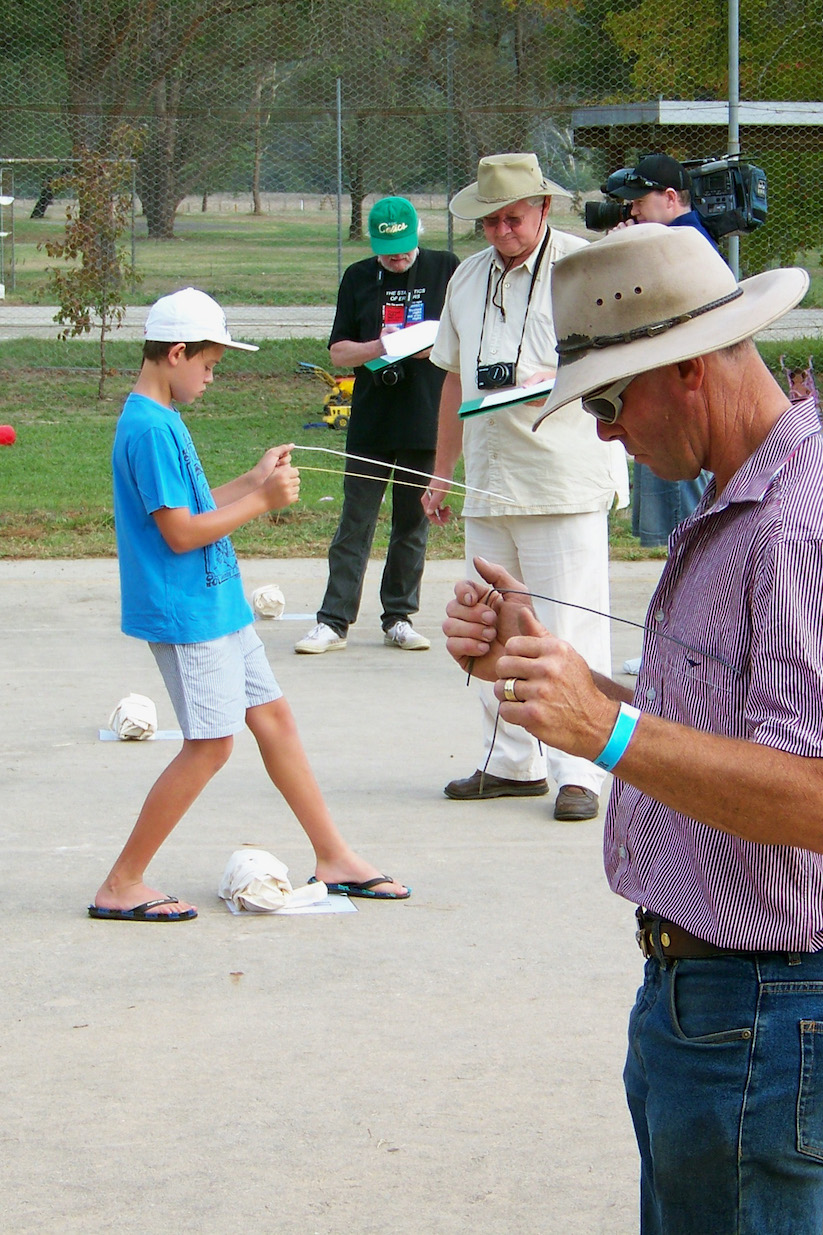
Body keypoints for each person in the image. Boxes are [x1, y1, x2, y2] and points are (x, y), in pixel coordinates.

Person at [441, 225, 823, 1233]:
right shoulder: (740, 508)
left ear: (690, 369)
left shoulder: (800, 531)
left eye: (612, 400)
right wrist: (544, 669)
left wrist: (608, 729)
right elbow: (720, 723)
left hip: (761, 1004)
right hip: (714, 997)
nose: (608, 434)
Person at [89, 287, 410, 922]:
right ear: (176, 353)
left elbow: (191, 502)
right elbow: (179, 533)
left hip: (218, 603)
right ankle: (122, 883)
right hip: (187, 612)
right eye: (207, 366)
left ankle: (334, 856)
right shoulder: (148, 427)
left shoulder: (162, 417)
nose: (210, 377)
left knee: (274, 719)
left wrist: (254, 481)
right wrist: (264, 503)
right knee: (210, 745)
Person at [423, 152, 619, 823]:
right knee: (489, 622)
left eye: (514, 217)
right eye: (490, 220)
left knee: (571, 626)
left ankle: (581, 769)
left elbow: (614, 366)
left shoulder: (583, 266)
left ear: (543, 208)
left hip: (564, 477)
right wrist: (441, 468)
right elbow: (452, 376)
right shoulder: (467, 278)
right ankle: (510, 760)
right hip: (491, 476)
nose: (502, 230)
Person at [295, 197, 459, 654]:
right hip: (372, 420)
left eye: (405, 249)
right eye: (389, 251)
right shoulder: (359, 277)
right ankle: (333, 620)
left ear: (418, 235)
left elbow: (468, 332)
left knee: (412, 523)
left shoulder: (446, 268)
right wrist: (377, 347)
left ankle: (399, 617)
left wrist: (435, 346)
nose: (398, 258)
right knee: (355, 522)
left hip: (424, 417)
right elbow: (338, 353)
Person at [615, 153, 713, 548]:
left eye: (640, 202)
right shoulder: (671, 239)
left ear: (671, 198)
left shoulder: (683, 243)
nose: (633, 211)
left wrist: (626, 253)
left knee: (686, 531)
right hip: (671, 394)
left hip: (679, 399)